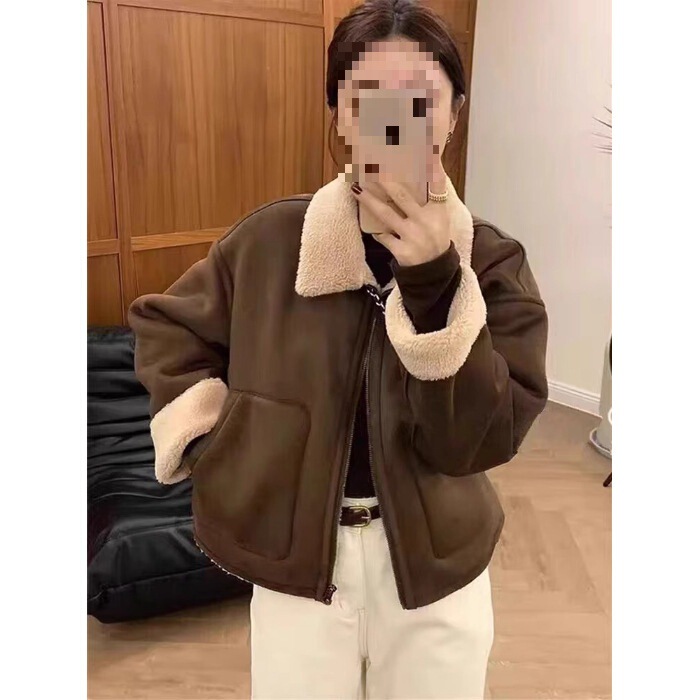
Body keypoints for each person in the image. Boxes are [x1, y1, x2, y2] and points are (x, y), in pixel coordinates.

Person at [128, 1, 549, 698]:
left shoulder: (494, 264)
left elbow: (479, 440)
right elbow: (167, 327)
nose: (396, 120)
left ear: (453, 114)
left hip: (437, 572)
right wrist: (217, 437)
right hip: (295, 564)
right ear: (340, 115)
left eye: (419, 99)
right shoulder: (269, 242)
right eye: (369, 98)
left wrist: (437, 283)